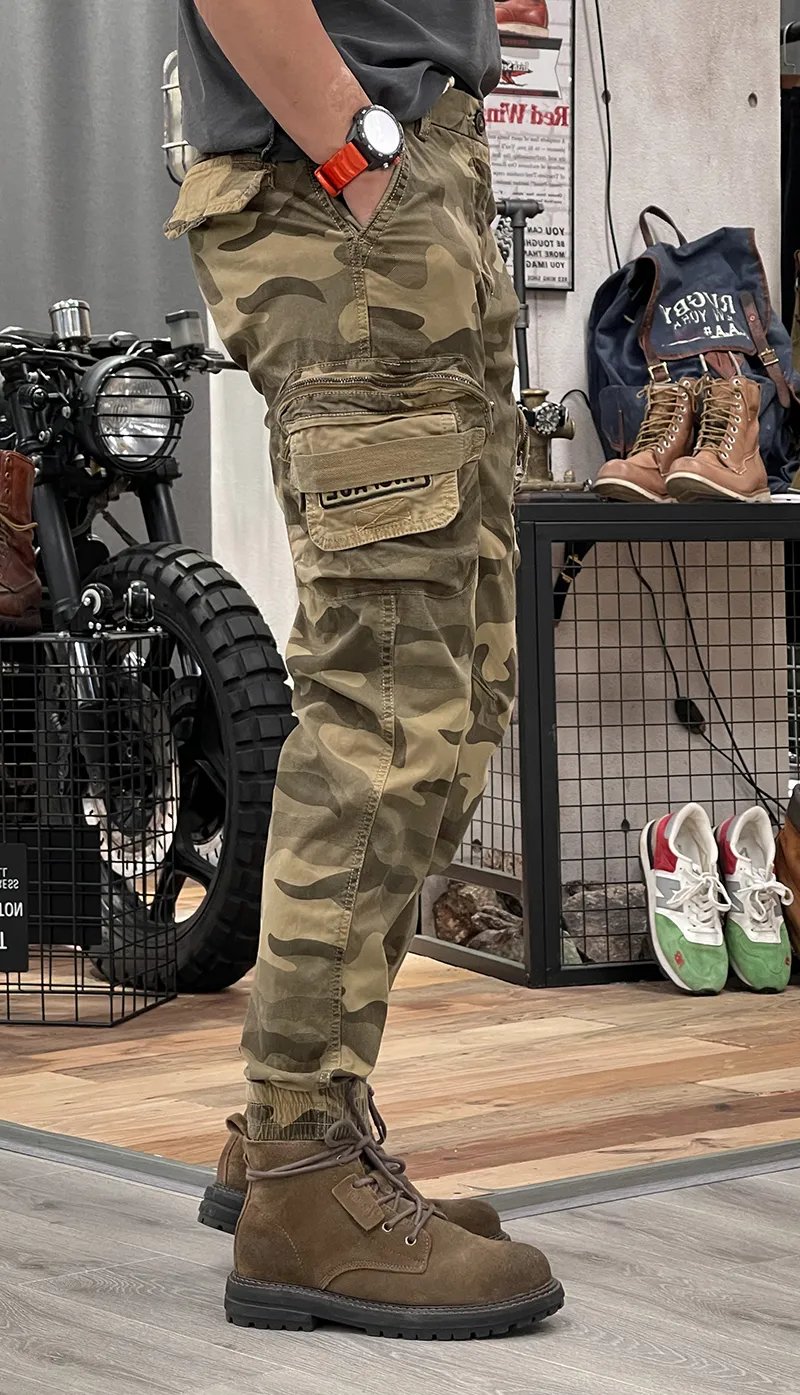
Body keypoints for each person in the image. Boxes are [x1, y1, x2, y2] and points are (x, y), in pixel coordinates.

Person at [166, 0, 564, 1340]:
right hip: (344, 181)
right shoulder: (355, 163)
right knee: (386, 698)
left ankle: (300, 1121)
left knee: (460, 693)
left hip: (411, 174)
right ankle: (303, 1176)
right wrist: (359, 153)